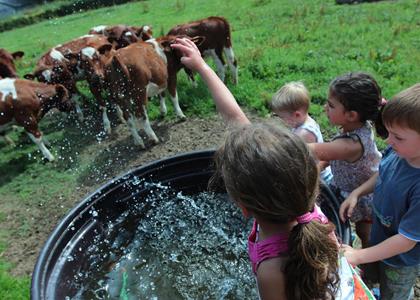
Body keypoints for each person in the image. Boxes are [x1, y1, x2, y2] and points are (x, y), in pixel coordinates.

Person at [171, 37, 375, 300]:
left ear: (242, 207)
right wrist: (202, 67)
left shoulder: (272, 270)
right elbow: (238, 122)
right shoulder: (311, 216)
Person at [340, 83, 420, 300]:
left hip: (401, 260)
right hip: (380, 238)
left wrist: (358, 255)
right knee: (377, 276)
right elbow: (383, 173)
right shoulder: (399, 152)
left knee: (394, 292)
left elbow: (406, 240)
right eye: (389, 133)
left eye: (398, 137)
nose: (388, 141)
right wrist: (358, 192)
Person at [305, 72, 385, 251]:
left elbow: (313, 151)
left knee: (366, 233)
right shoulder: (354, 128)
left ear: (351, 115)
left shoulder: (351, 145)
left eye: (331, 105)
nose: (325, 107)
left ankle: (368, 266)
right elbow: (329, 157)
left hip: (363, 194)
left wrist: (275, 141)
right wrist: (318, 169)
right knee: (343, 223)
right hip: (344, 185)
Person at [270, 81, 333, 183]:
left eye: (282, 117)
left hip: (319, 179)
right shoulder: (304, 122)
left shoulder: (304, 133)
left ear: (297, 115)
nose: (281, 120)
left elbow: (296, 159)